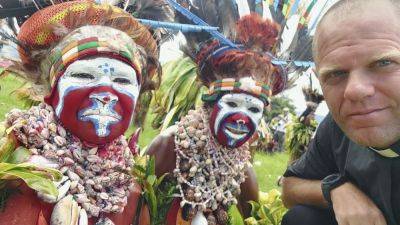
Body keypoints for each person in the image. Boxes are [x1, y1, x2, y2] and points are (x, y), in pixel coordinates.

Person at [0, 1, 172, 224]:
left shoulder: (131, 189)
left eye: (122, 80)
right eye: (83, 76)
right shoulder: (14, 173)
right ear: (51, 92)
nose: (106, 94)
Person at [147, 14, 286, 224]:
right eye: (231, 104)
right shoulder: (172, 144)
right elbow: (135, 204)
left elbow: (255, 217)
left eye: (253, 110)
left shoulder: (240, 167)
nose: (242, 119)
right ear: (209, 105)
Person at [281, 0, 400, 225]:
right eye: (336, 74)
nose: (354, 90)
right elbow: (289, 187)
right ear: (320, 81)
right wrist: (333, 188)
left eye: (384, 62)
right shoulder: (338, 127)